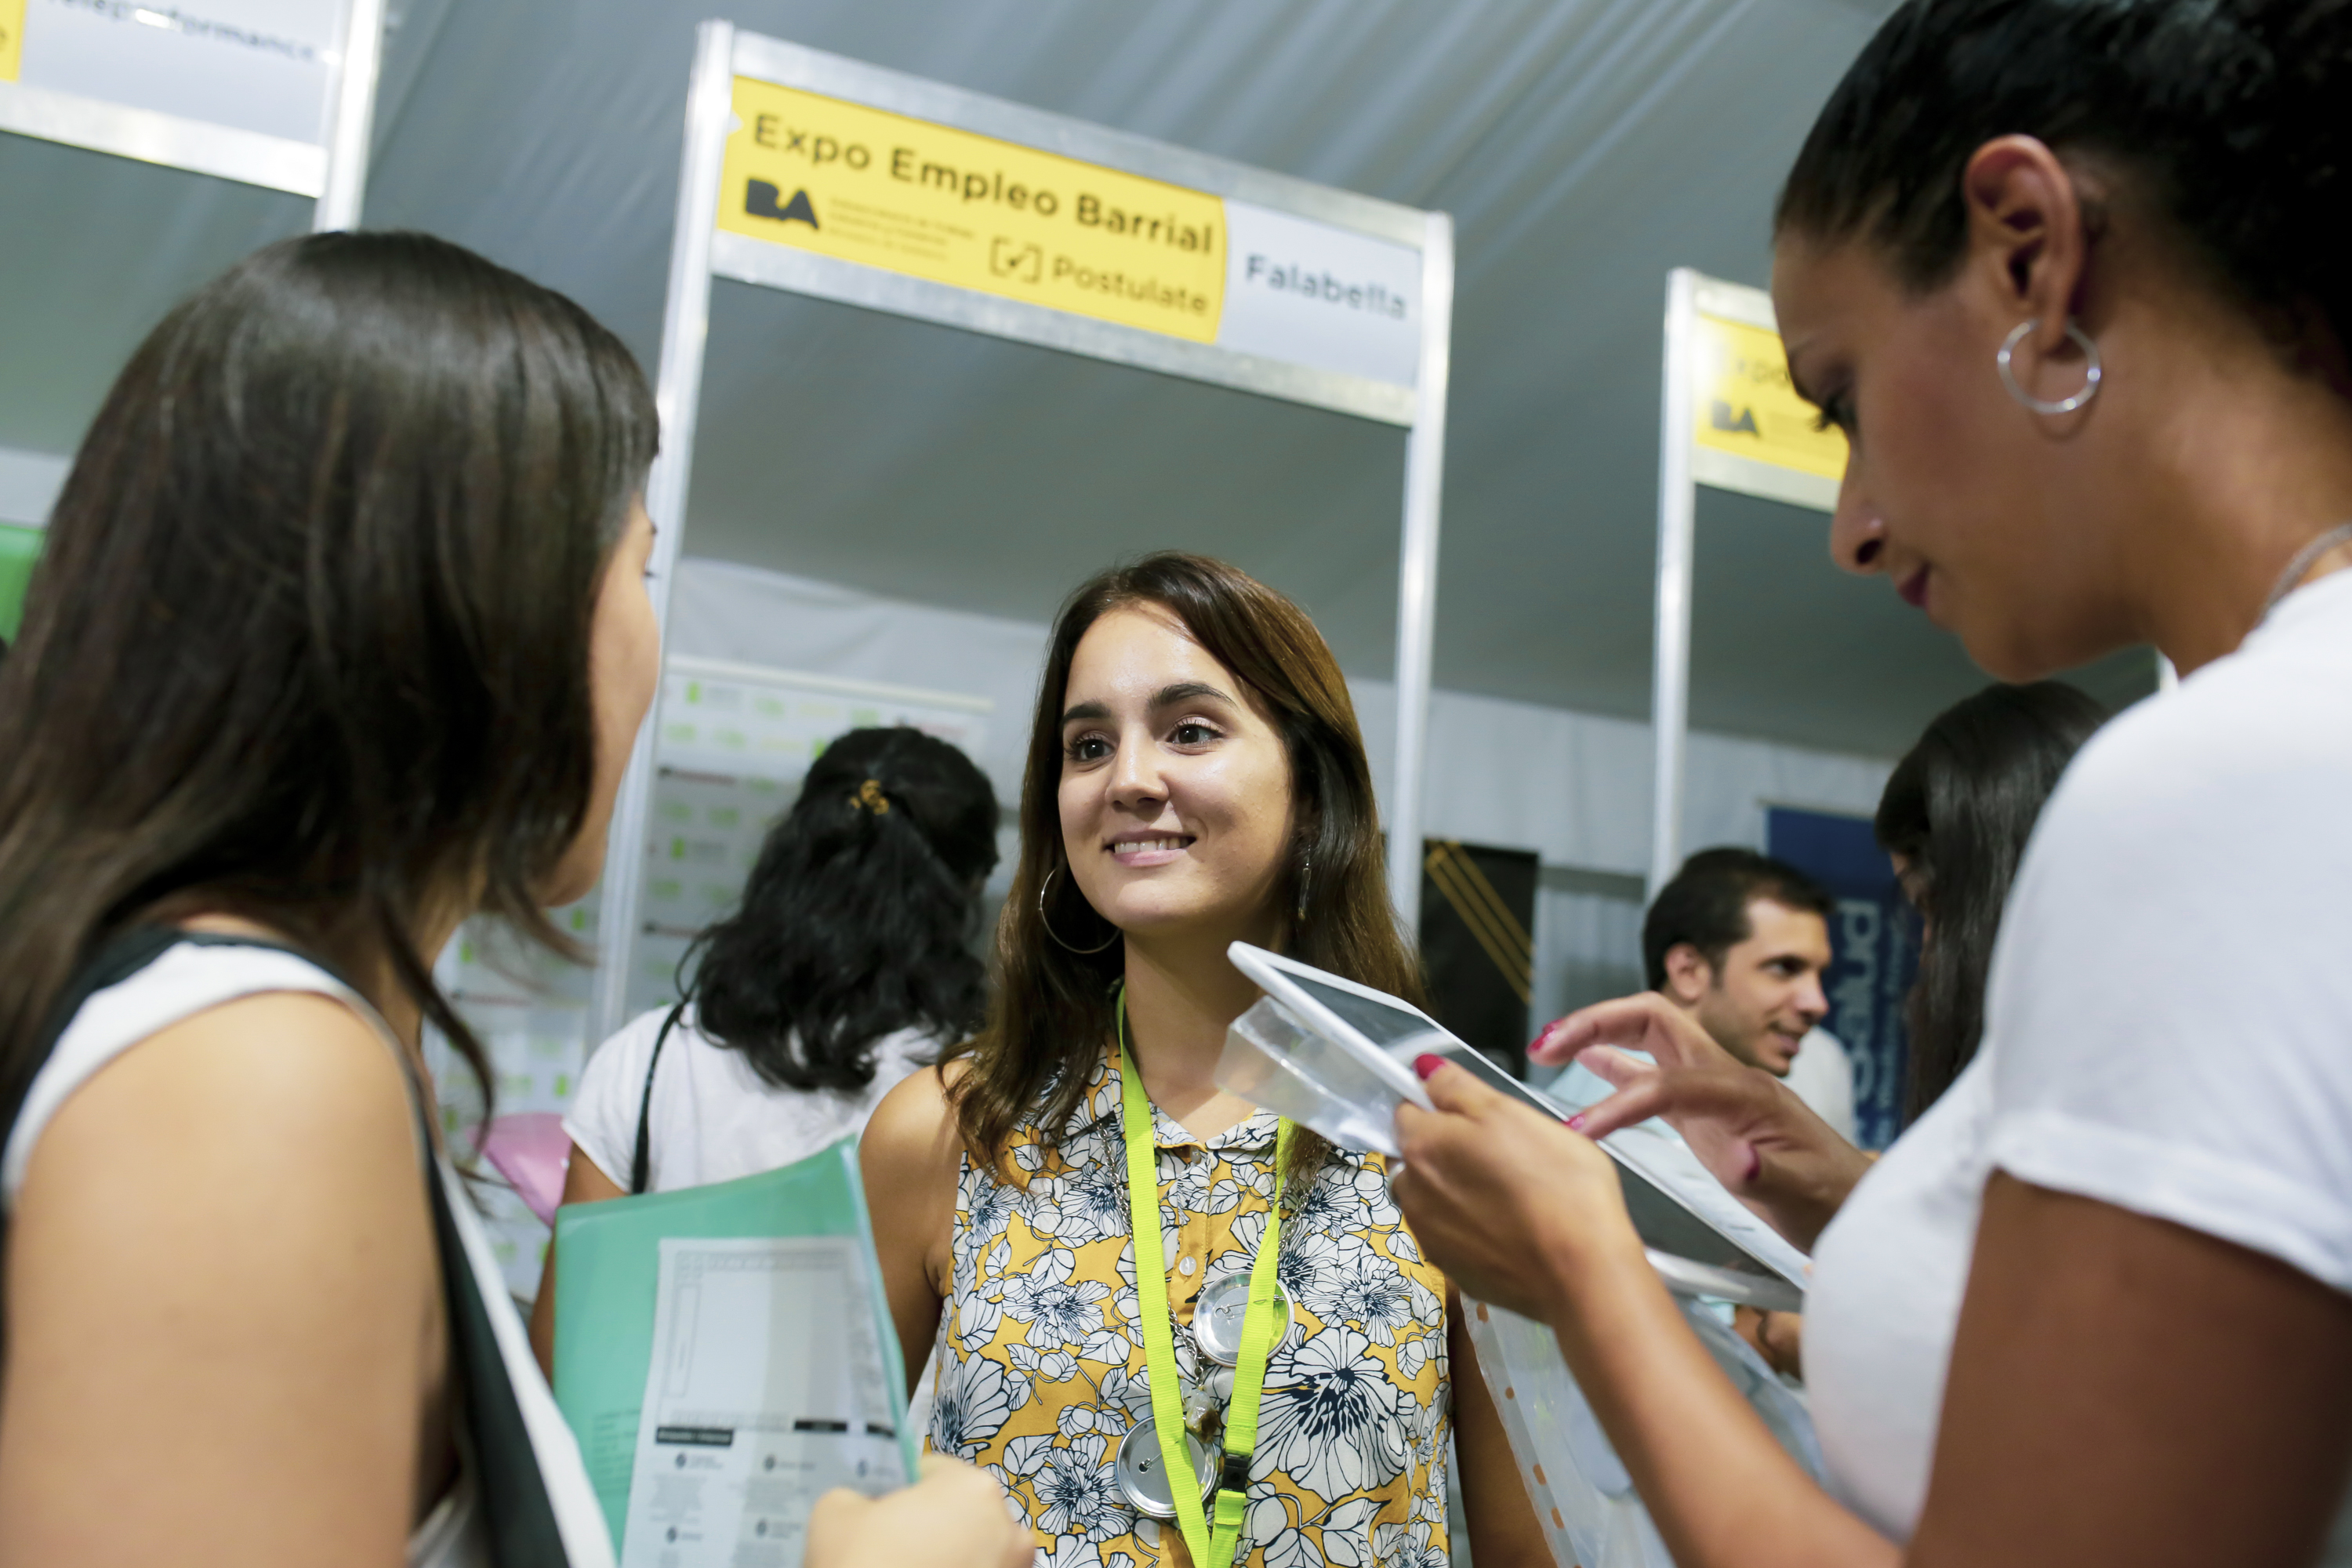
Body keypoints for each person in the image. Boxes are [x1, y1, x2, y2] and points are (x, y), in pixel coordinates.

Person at [1392, 3, 2352, 1565]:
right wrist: (1843, 1185)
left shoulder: (2216, 784)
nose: (1850, 526)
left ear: (2030, 252)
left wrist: (1585, 1264)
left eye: (1841, 400)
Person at [0, 232, 1028, 1568]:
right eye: (637, 570)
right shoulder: (251, 1077)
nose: (646, 639)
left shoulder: (280, 1047)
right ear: (491, 616)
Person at [862, 553, 1548, 1568]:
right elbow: (814, 1502)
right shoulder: (949, 1128)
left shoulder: (1453, 1147)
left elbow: (1526, 1547)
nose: (1130, 779)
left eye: (1189, 730)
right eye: (1089, 745)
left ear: (1310, 790)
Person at [528, 724, 998, 1371]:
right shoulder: (979, 1094)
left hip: (659, 1434)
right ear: (968, 889)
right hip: (889, 1442)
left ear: (793, 849)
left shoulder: (647, 1059)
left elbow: (563, 1349)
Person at [1561, 848, 1856, 1140]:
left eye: (1820, 975)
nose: (1817, 1004)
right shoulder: (1615, 1118)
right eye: (1783, 968)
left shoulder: (1821, 1062)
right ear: (1688, 972)